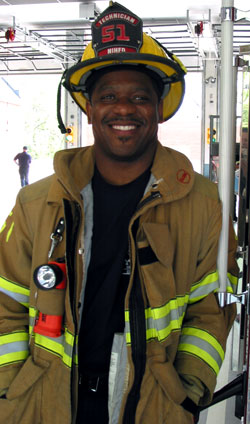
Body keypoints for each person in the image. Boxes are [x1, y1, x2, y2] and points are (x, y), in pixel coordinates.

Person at [0, 2, 238, 424]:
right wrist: (10, 388)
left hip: (151, 403)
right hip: (45, 400)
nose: (124, 109)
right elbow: (6, 303)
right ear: (89, 108)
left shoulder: (203, 206)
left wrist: (187, 391)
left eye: (139, 97)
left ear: (158, 109)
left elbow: (209, 311)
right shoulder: (35, 205)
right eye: (108, 96)